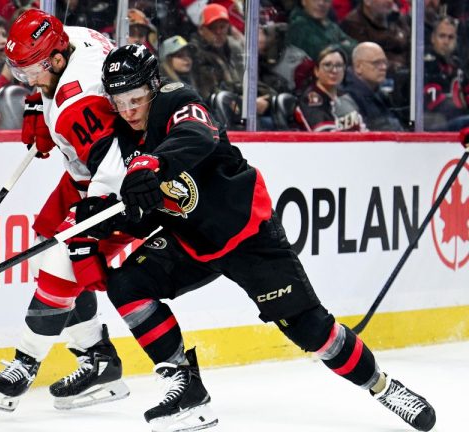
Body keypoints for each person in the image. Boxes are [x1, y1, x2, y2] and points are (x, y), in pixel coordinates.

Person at [98, 43, 437, 432]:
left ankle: (384, 387)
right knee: (126, 285)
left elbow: (197, 136)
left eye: (136, 98)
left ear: (154, 86)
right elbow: (155, 203)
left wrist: (152, 163)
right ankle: (186, 388)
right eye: (119, 101)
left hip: (247, 235)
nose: (128, 110)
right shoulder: (125, 131)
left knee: (314, 333)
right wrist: (115, 218)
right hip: (192, 242)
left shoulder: (177, 101)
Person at [0, 9, 131, 412]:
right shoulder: (73, 36)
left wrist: (89, 217)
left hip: (118, 184)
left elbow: (114, 169)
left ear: (57, 61)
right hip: (86, 171)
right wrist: (38, 99)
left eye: (32, 74)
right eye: (20, 74)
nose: (26, 81)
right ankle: (97, 357)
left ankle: (24, 363)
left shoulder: (78, 105)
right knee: (45, 237)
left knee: (60, 262)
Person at [296, 45, 367, 131]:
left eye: (339, 65)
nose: (334, 70)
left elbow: (363, 128)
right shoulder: (311, 99)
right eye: (327, 65)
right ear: (316, 71)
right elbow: (325, 136)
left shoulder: (346, 96)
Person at [188, 3, 245, 101]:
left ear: (228, 27)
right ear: (201, 30)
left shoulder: (234, 47)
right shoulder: (195, 53)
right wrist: (242, 101)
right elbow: (209, 94)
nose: (218, 32)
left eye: (222, 27)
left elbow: (247, 81)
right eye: (212, 27)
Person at [343, 42, 404, 131]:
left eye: (385, 62)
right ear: (358, 67)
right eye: (376, 63)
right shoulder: (348, 97)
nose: (383, 67)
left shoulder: (380, 94)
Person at [423, 17, 469, 131]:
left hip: (457, 120)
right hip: (435, 125)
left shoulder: (457, 64)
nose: (446, 41)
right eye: (442, 36)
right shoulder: (426, 63)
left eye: (450, 37)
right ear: (433, 38)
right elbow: (435, 105)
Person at [286, 0, 357, 61]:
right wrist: (342, 44)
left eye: (326, 0)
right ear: (304, 1)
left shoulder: (328, 23)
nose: (321, 3)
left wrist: (336, 45)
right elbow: (326, 54)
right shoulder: (298, 25)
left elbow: (354, 44)